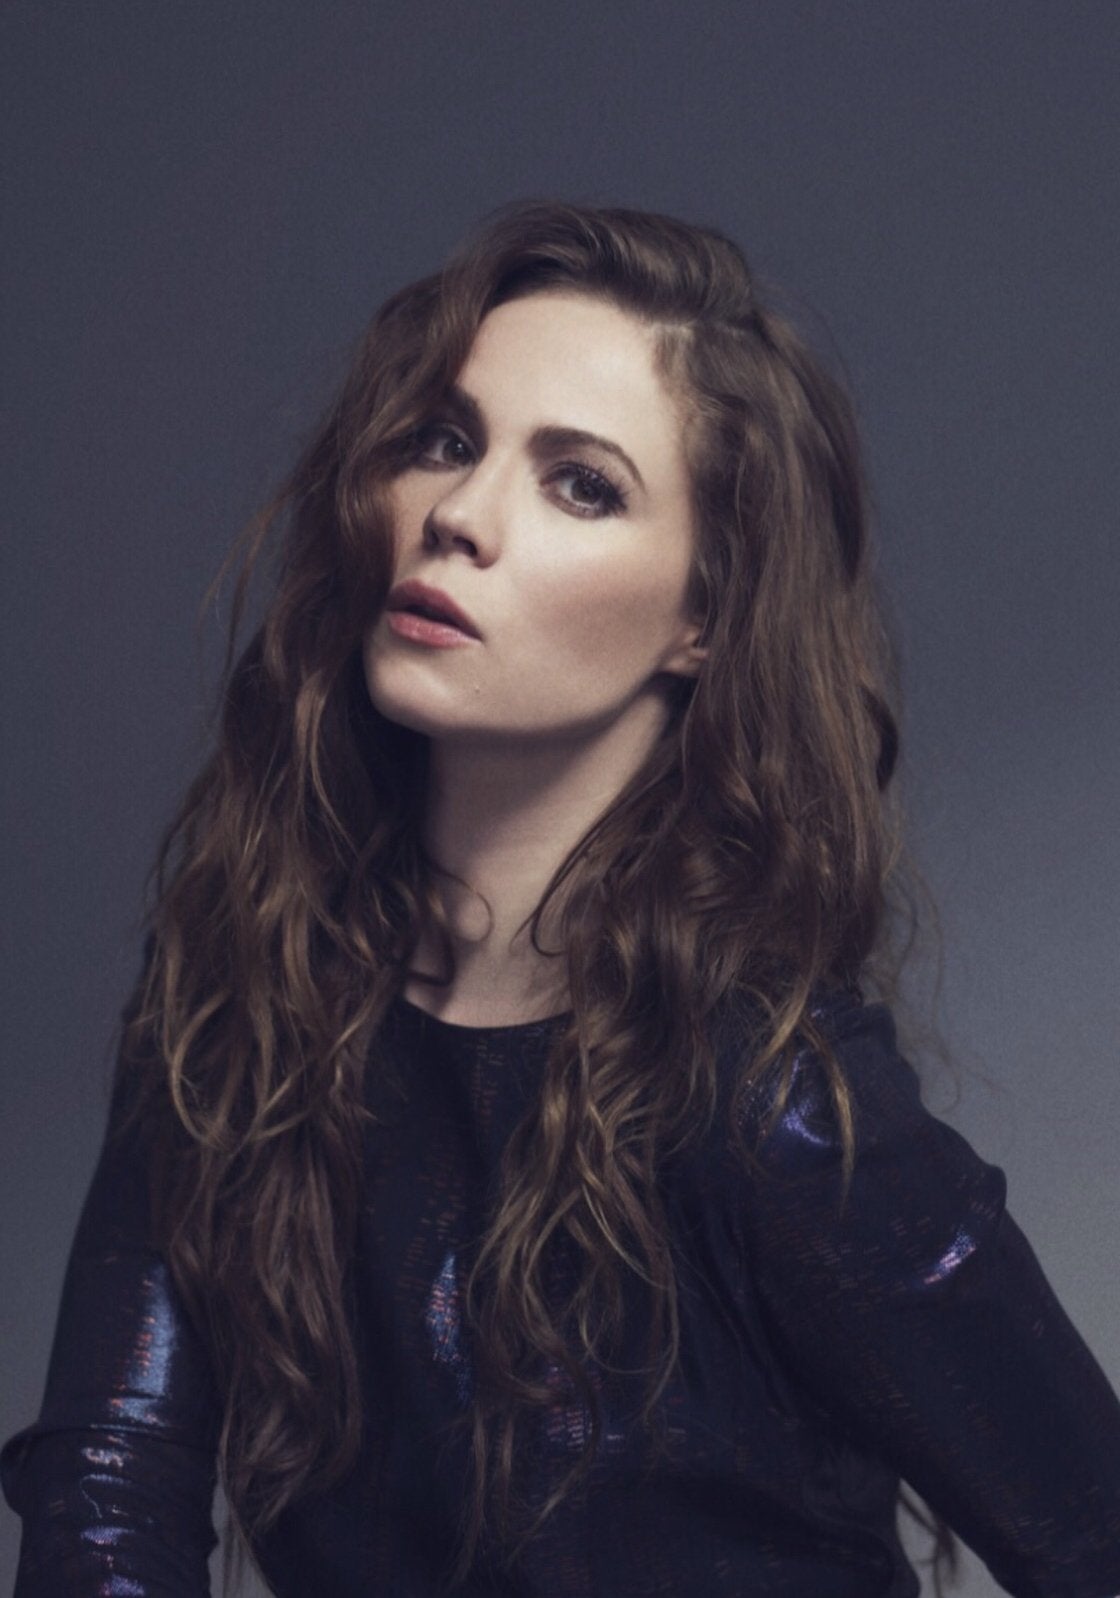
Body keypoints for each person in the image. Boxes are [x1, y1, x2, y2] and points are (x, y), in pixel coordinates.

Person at [3, 201, 1119, 1598]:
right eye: (444, 440)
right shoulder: (236, 1003)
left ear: (702, 617)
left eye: (581, 485)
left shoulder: (771, 1102)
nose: (460, 517)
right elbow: (109, 1492)